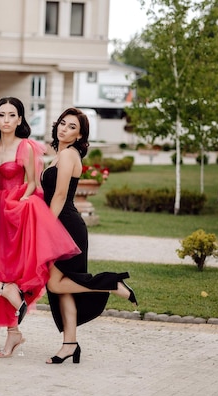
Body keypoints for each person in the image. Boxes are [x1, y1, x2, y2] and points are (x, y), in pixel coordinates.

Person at [0, 97, 81, 358]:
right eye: (1, 115)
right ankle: (13, 333)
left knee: (17, 274)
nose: (6, 120)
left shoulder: (26, 147)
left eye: (11, 115)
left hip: (20, 211)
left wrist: (18, 201)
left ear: (20, 119)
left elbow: (32, 183)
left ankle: (13, 334)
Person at [42, 107, 137, 364]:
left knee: (55, 284)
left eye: (72, 127)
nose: (64, 128)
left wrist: (46, 228)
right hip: (61, 223)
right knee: (62, 289)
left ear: (80, 135)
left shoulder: (69, 155)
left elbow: (60, 196)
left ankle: (110, 283)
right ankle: (70, 344)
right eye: (63, 123)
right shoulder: (60, 154)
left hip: (66, 227)